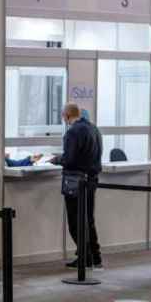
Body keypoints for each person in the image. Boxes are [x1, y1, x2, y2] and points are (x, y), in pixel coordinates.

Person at [51, 103, 103, 268]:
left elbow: (70, 159)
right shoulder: (94, 129)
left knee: (75, 221)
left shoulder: (73, 132)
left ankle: (84, 256)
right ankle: (95, 256)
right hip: (92, 179)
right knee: (88, 219)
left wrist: (57, 159)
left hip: (75, 181)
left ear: (66, 116)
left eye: (63, 116)